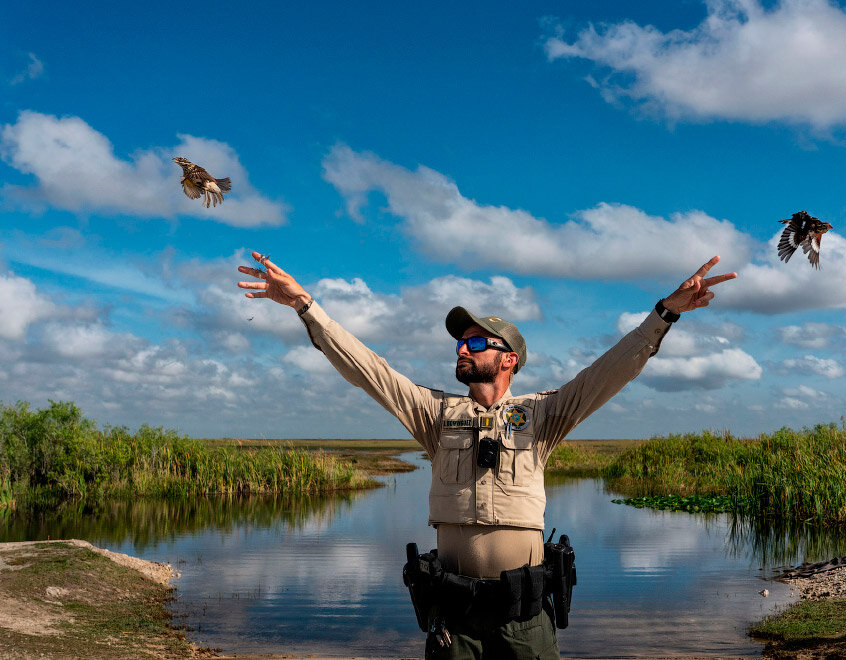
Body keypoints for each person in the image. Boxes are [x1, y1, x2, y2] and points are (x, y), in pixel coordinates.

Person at [237, 252, 737, 660]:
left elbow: (609, 371)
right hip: (454, 620)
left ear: (509, 358)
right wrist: (305, 305)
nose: (462, 348)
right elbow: (367, 368)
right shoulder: (433, 413)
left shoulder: (545, 415)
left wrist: (664, 314)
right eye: (459, 341)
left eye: (476, 342)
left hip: (525, 620)